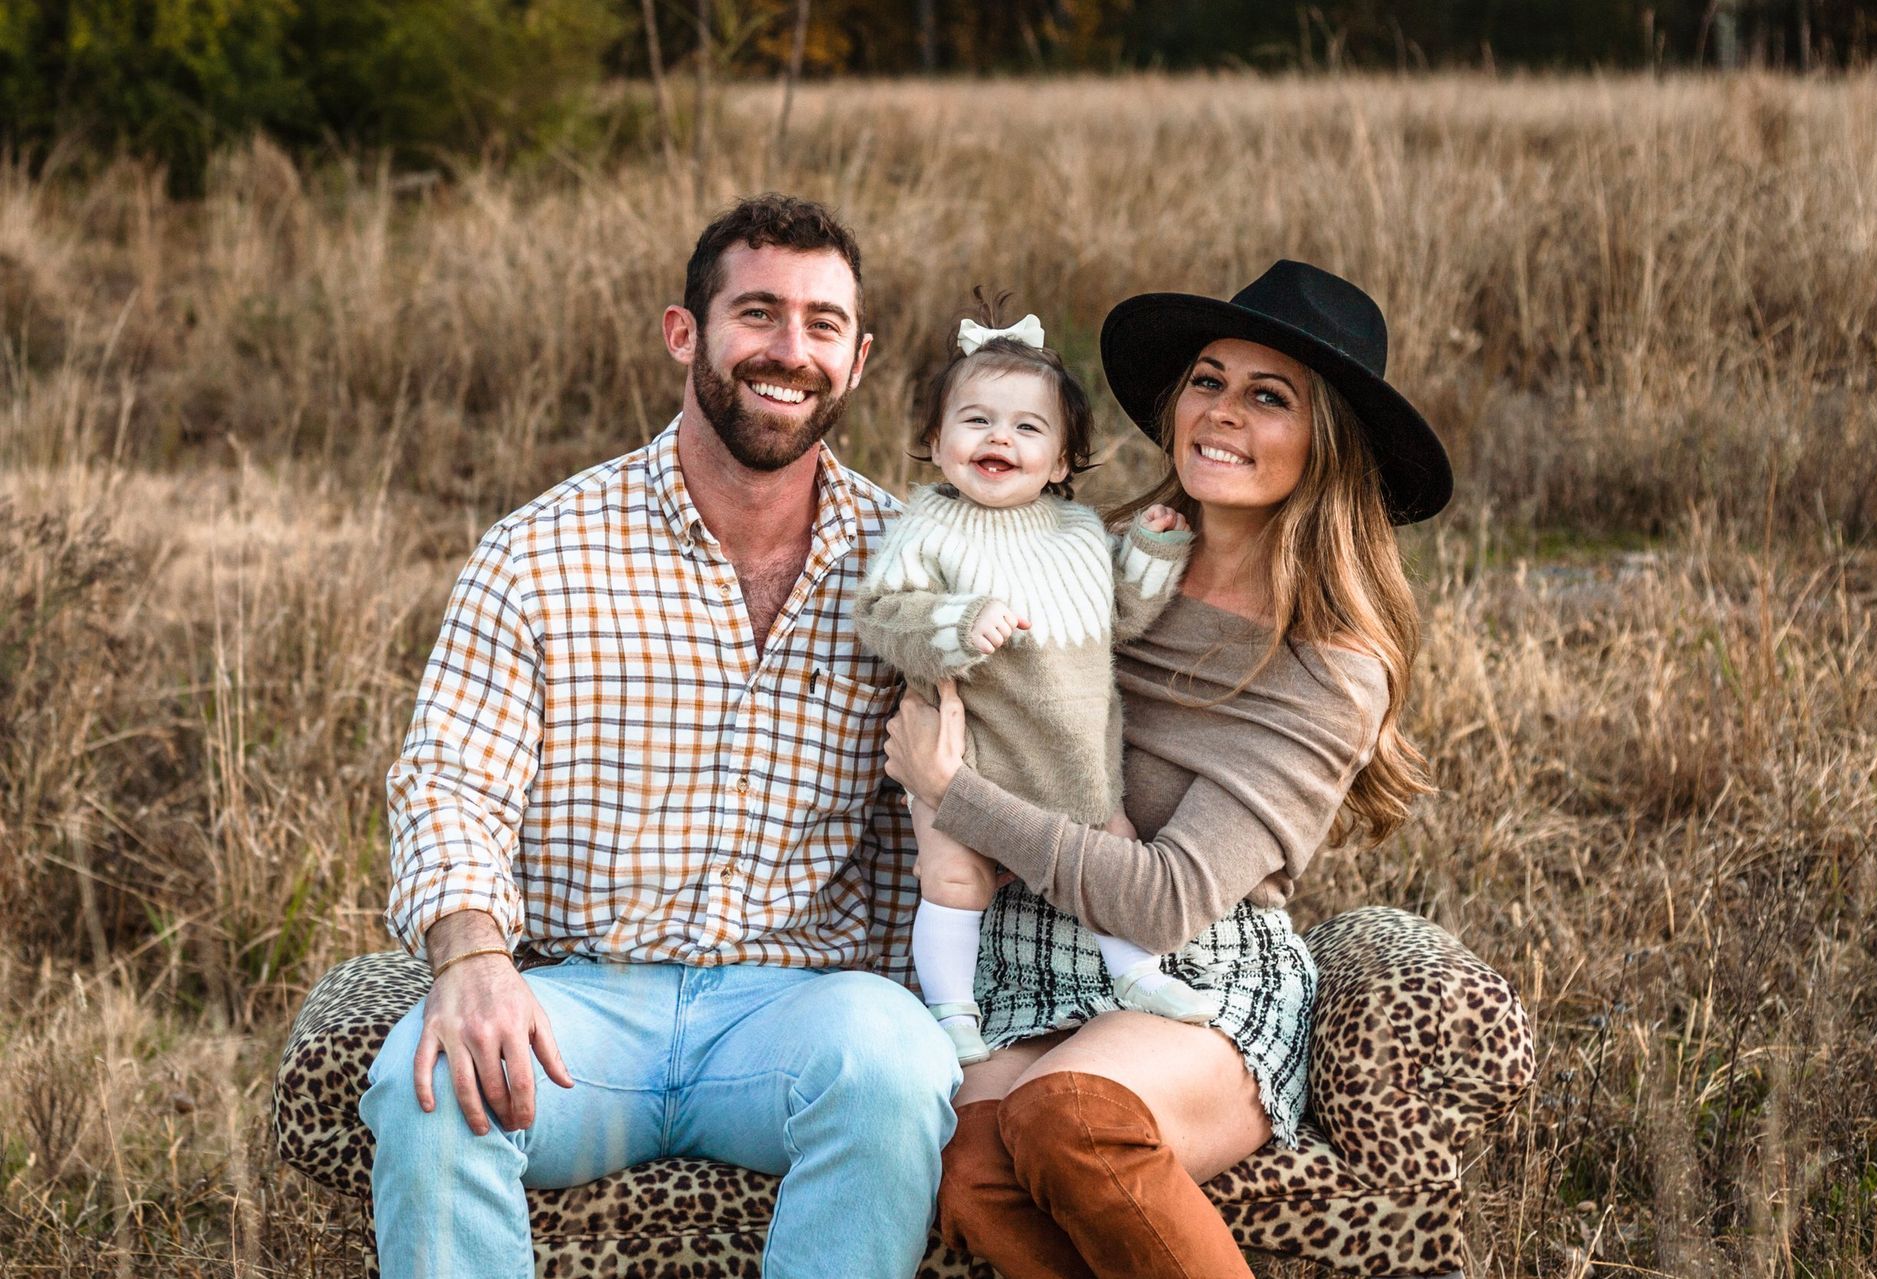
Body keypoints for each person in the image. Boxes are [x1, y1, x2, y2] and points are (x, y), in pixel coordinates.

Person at [357, 193, 960, 1279]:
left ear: (859, 358)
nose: (790, 351)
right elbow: (451, 781)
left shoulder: (909, 567)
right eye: (759, 313)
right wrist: (475, 954)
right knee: (436, 1080)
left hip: (799, 1012)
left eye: (823, 325)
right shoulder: (540, 554)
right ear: (686, 332)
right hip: (582, 1003)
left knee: (895, 1063)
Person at [883, 259, 1453, 1278]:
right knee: (967, 1165)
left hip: (1196, 974)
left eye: (1267, 396)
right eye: (1208, 379)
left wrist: (955, 792)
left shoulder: (1329, 661)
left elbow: (1166, 899)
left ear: (1329, 445)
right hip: (1026, 958)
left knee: (1072, 1118)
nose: (1220, 412)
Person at [852, 298, 1216, 1069]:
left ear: (1059, 462)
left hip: (1072, 755)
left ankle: (1139, 973)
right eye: (976, 420)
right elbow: (883, 615)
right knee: (953, 876)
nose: (999, 439)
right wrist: (956, 624)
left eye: (1027, 428)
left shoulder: (1081, 533)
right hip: (971, 751)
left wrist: (1151, 551)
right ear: (937, 443)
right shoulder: (928, 526)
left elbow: (1125, 614)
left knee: (1109, 850)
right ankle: (951, 1008)